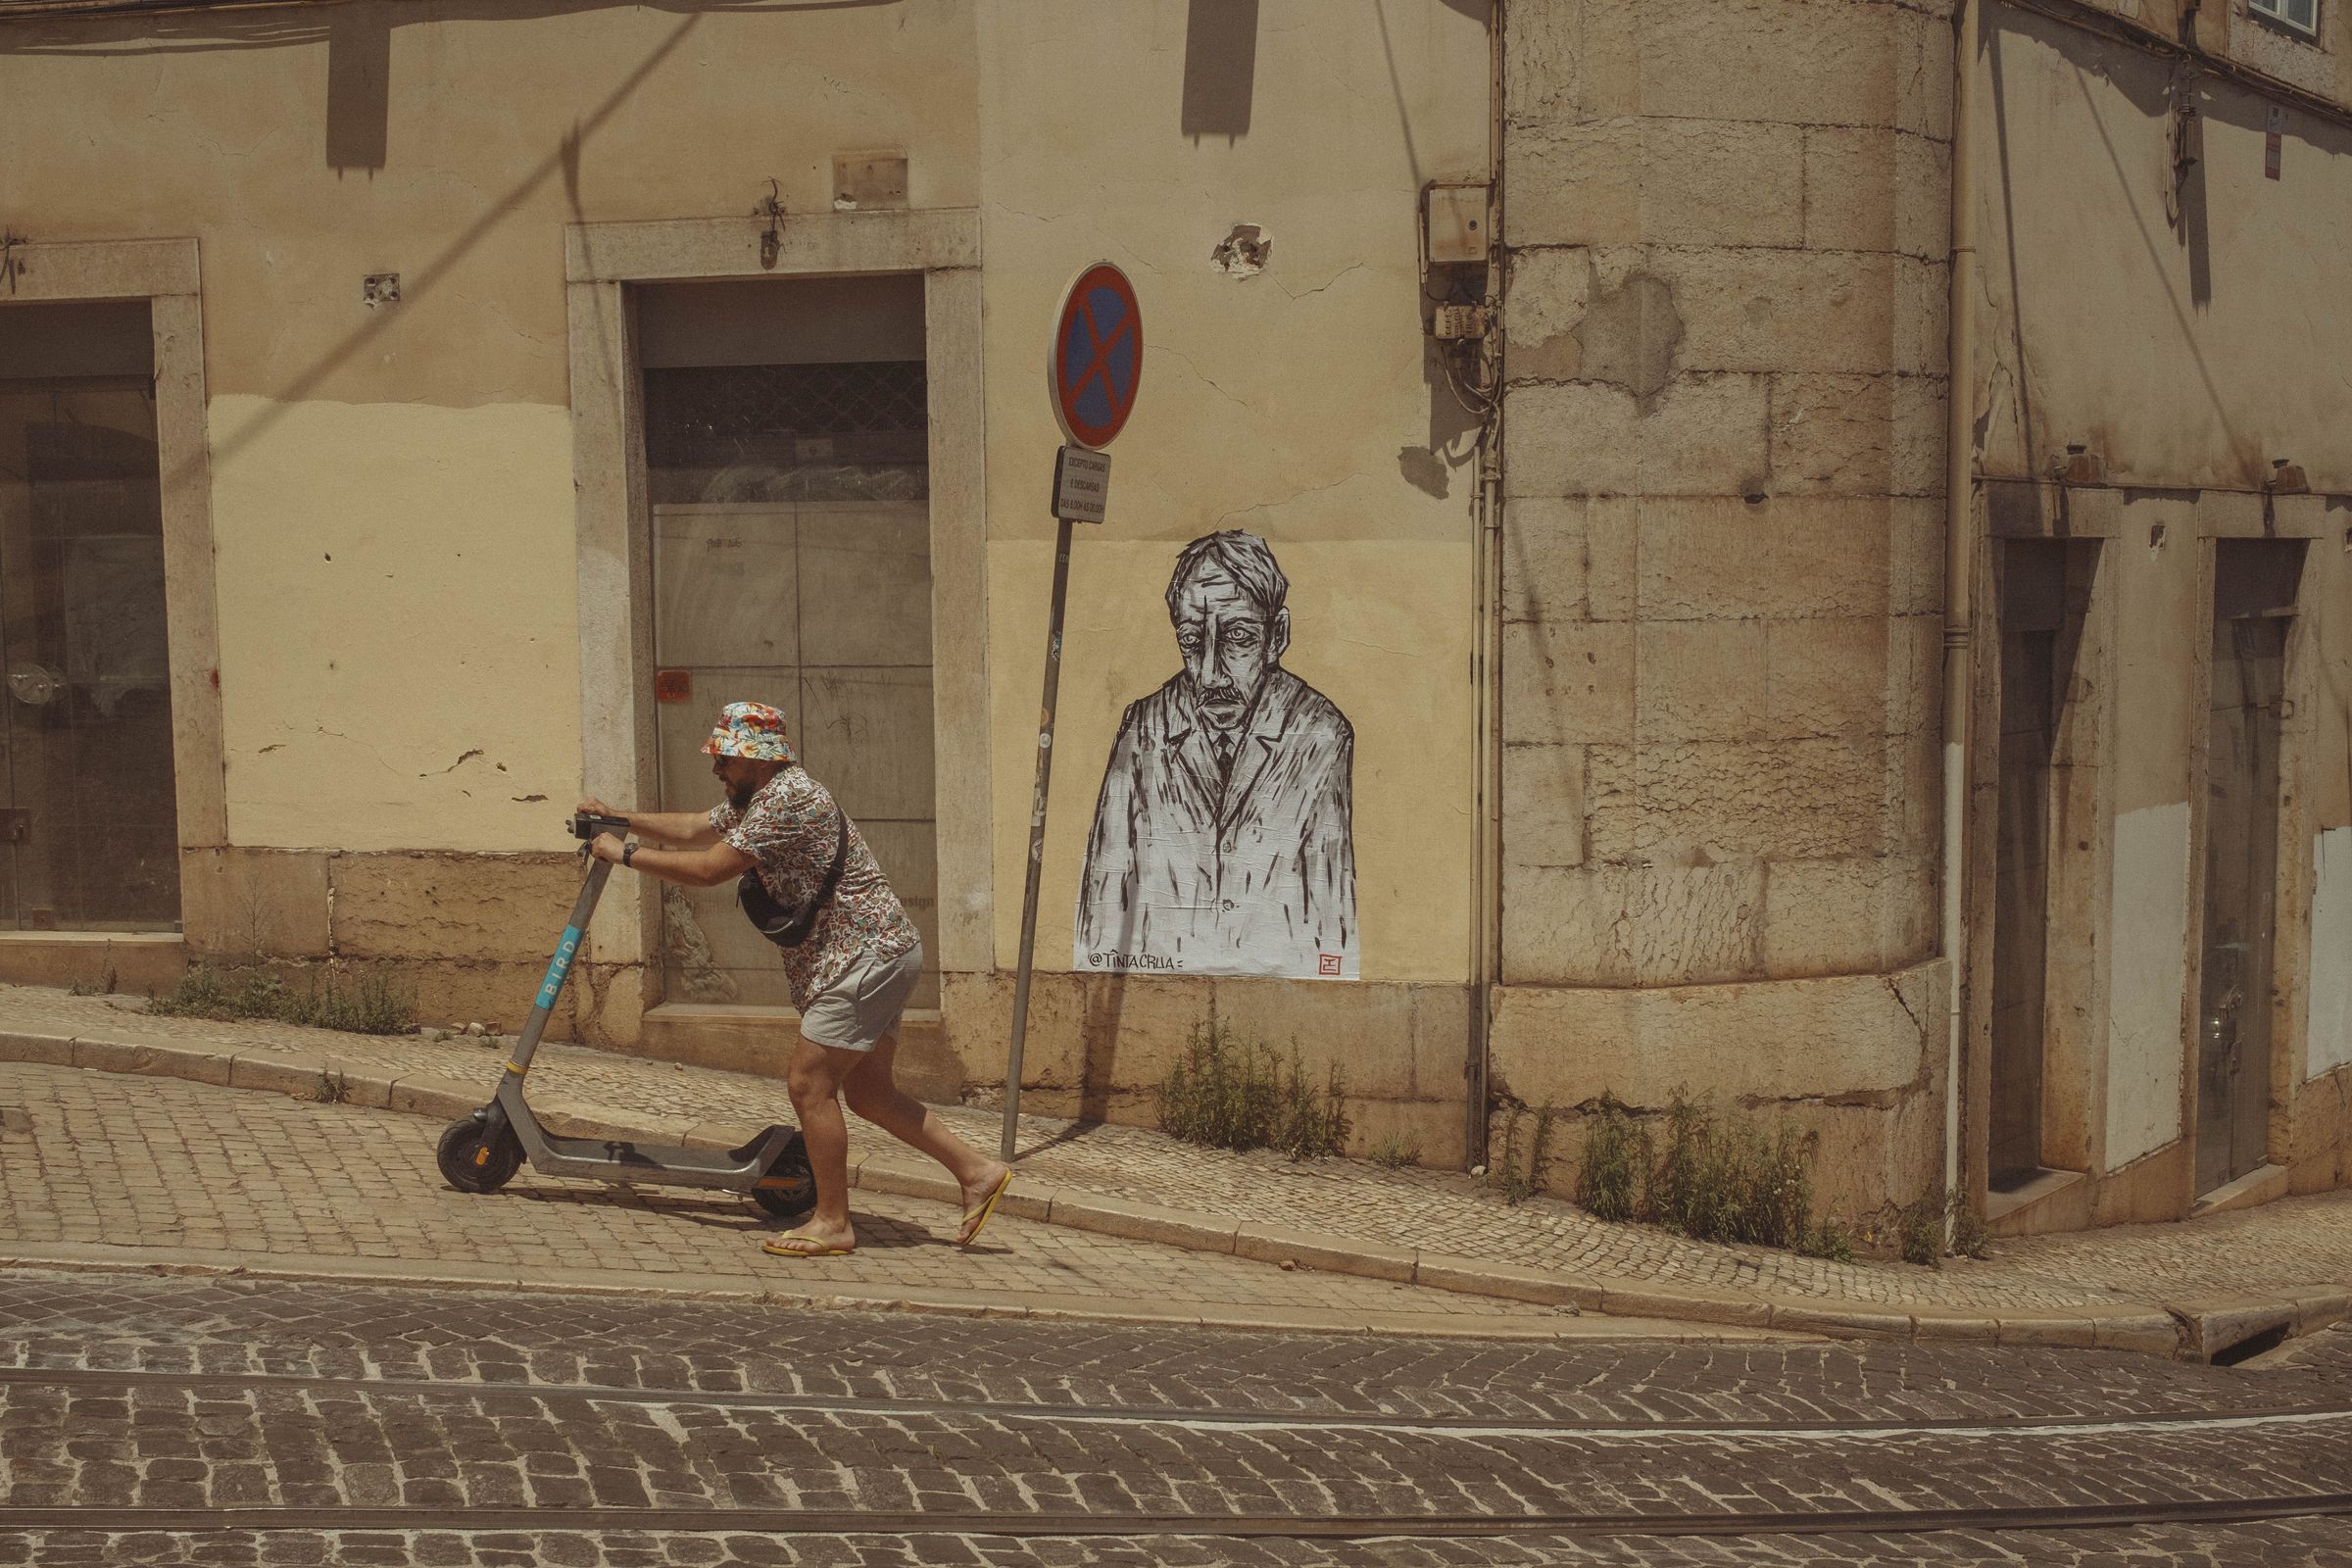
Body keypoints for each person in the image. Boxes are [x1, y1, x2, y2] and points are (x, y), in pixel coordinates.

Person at [578, 700, 1011, 1258]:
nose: (717, 769)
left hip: (862, 957)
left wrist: (623, 853)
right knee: (871, 1094)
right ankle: (976, 1172)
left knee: (809, 1084)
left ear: (758, 761)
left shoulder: (787, 800)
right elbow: (694, 828)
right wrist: (619, 817)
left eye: (725, 758)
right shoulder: (762, 795)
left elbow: (711, 868)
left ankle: (833, 1222)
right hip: (875, 953)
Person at [1075, 529, 1357, 979]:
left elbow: (1330, 909)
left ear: (1276, 636)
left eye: (1238, 637)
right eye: (1190, 641)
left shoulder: (1319, 733)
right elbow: (1105, 891)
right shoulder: (1144, 728)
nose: (1209, 674)